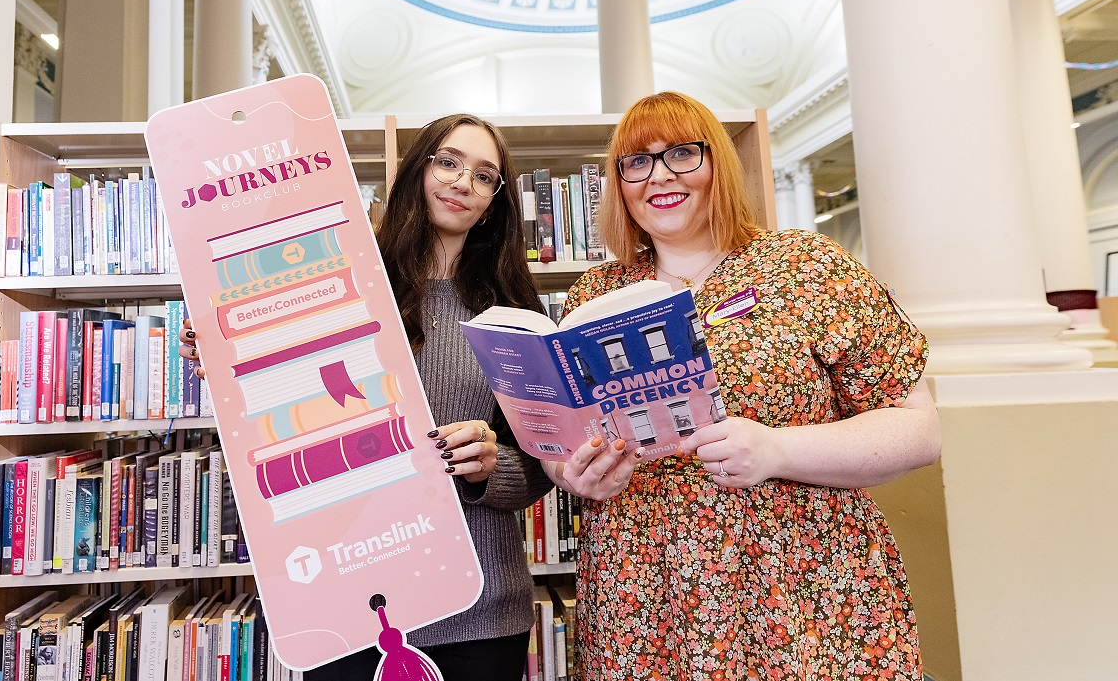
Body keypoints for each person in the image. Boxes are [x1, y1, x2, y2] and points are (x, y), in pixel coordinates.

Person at [544, 91, 942, 681]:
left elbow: (919, 429)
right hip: (645, 595)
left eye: (681, 153)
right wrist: (576, 472)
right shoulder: (591, 297)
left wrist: (780, 449)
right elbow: (567, 443)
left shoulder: (807, 267)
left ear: (718, 165)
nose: (659, 176)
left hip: (801, 581)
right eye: (637, 161)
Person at [181, 114, 553, 681]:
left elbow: (542, 466)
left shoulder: (517, 313)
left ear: (495, 201)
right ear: (416, 169)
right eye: (448, 162)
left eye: (484, 177)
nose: (462, 183)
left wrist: (490, 467)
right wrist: (228, 354)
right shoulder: (339, 281)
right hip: (351, 598)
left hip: (481, 611)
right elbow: (284, 413)